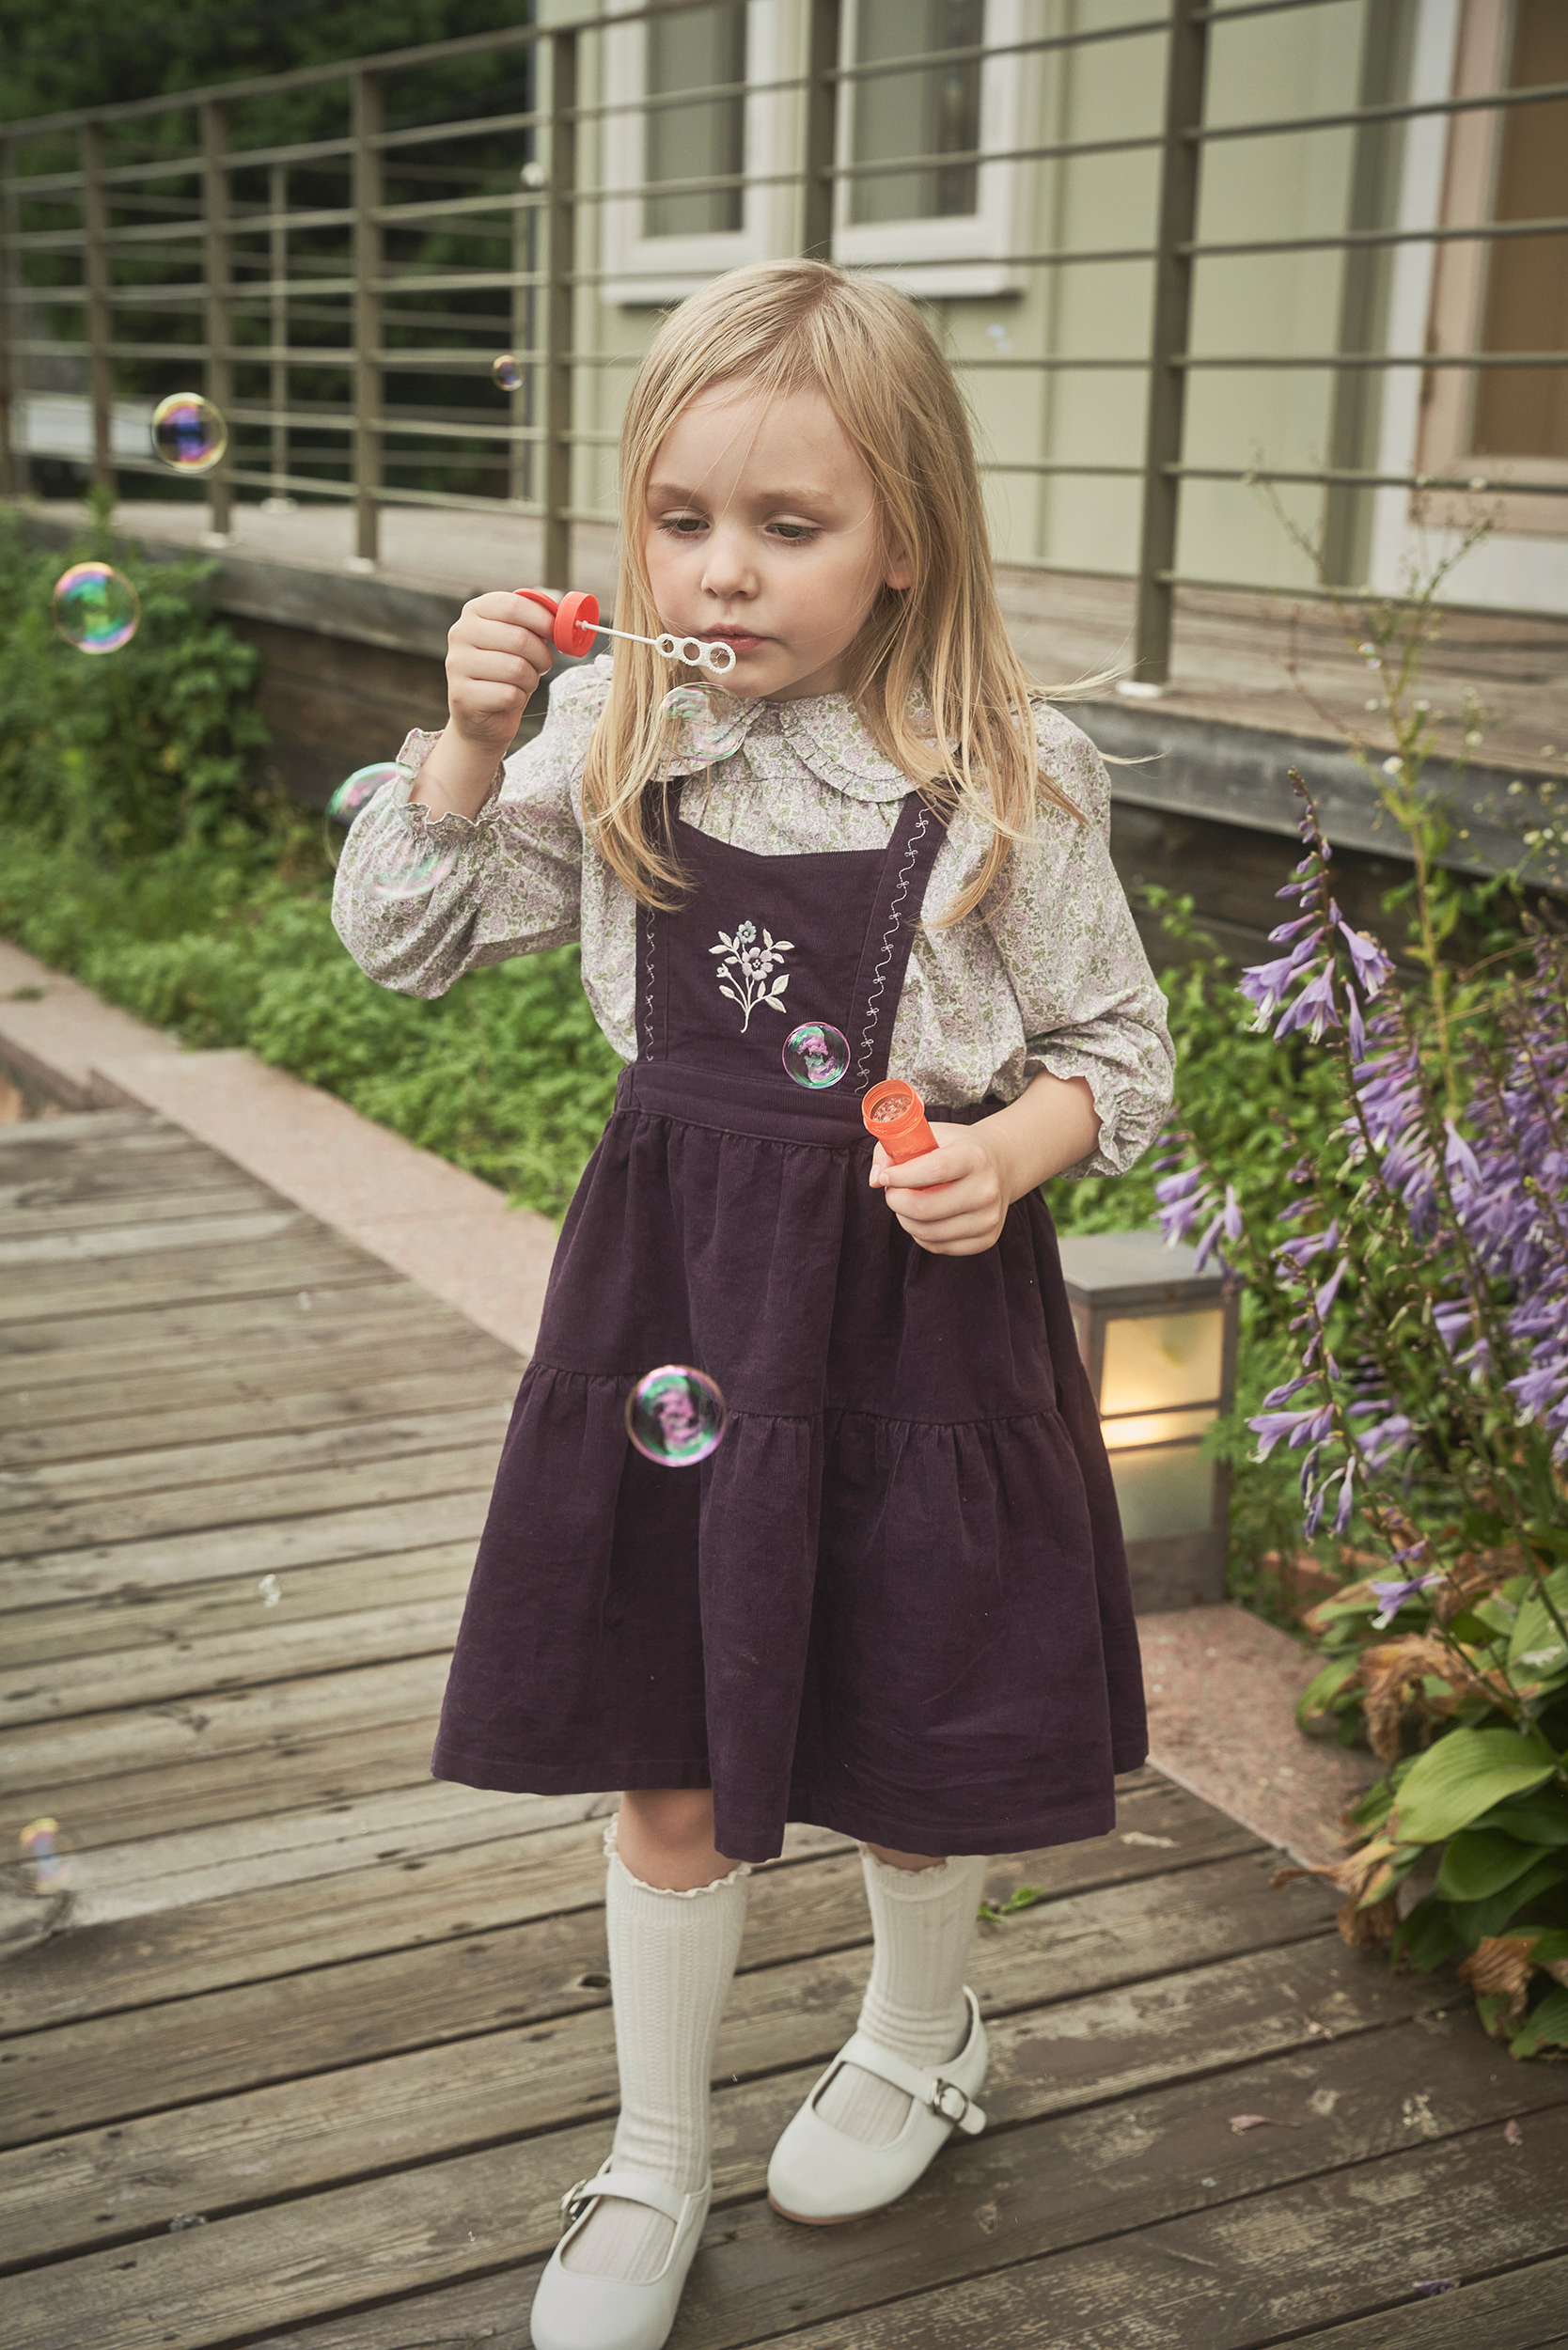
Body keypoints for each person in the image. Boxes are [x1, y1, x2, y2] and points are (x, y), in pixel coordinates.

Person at [333, 258, 1173, 2350]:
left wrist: (1012, 1150)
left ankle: (920, 2032)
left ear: (909, 539)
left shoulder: (1011, 769)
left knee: (912, 1718)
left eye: (789, 526)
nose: (724, 570)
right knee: (668, 1738)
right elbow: (406, 944)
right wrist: (467, 742)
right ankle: (654, 2155)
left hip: (921, 1319)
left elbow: (1122, 1055)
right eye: (681, 518)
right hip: (681, 1305)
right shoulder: (618, 737)